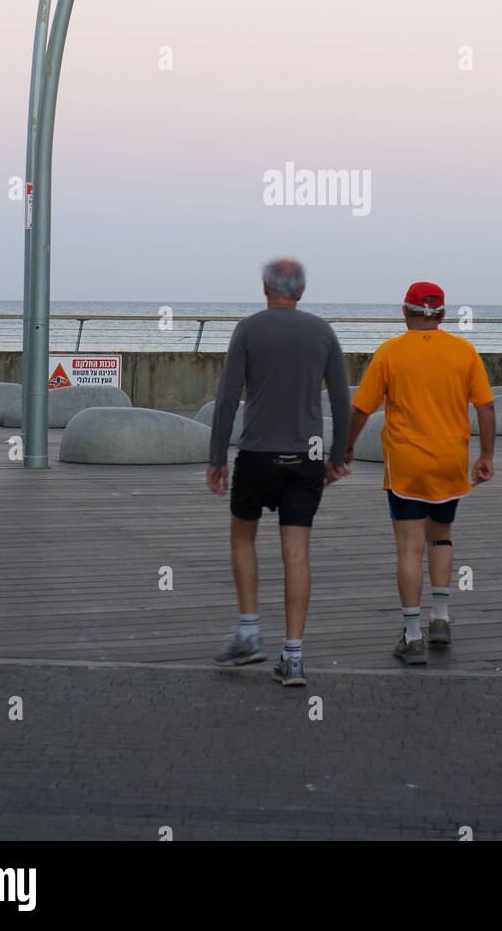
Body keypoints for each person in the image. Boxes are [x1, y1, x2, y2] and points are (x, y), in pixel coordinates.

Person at [208, 258, 350, 685]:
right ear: (301, 291)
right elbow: (342, 401)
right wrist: (337, 456)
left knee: (243, 536)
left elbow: (228, 399)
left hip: (257, 454)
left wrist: (217, 457)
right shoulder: (322, 332)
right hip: (305, 457)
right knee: (297, 551)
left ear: (265, 287)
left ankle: (249, 633)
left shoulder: (248, 329)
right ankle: (293, 656)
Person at [345, 281, 496, 664]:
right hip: (450, 461)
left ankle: (413, 636)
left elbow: (361, 409)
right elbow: (486, 407)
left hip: (407, 464)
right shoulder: (464, 351)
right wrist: (486, 456)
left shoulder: (390, 353)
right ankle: (441, 618)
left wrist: (345, 448)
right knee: (440, 536)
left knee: (410, 546)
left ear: (405, 312)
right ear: (443, 315)